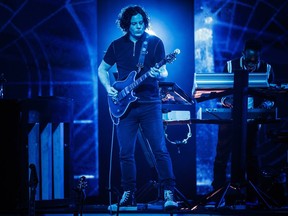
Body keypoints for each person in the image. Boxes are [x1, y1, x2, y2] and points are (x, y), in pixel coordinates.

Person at [98, 5, 178, 211]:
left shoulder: (155, 42)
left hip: (150, 103)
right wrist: (109, 88)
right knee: (125, 152)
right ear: (126, 25)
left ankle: (169, 192)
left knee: (159, 149)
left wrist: (157, 74)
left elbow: (165, 73)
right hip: (125, 107)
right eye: (133, 23)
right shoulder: (116, 45)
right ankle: (128, 194)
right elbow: (102, 69)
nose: (138, 27)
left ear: (145, 23)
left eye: (141, 23)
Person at [211, 39, 274, 204]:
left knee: (251, 156)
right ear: (243, 54)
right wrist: (229, 102)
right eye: (249, 62)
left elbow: (273, 94)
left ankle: (253, 197)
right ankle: (218, 194)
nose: (252, 66)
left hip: (252, 118)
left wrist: (266, 104)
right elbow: (222, 92)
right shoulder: (231, 66)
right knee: (222, 155)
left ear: (259, 57)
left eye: (255, 62)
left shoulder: (267, 69)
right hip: (230, 117)